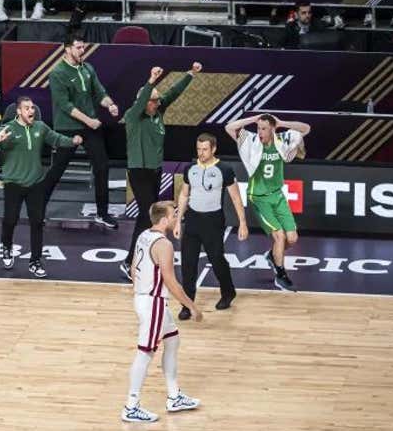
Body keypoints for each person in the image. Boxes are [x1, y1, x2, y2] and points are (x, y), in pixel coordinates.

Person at [0, 96, 81, 277]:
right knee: (10, 220)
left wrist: (72, 141)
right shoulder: (7, 129)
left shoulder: (40, 127)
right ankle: (6, 247)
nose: (31, 111)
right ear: (18, 111)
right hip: (13, 183)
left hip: (36, 183)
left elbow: (56, 139)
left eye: (32, 107)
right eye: (27, 108)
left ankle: (35, 261)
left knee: (37, 222)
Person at [122, 201, 202, 424]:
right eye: (174, 214)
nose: (178, 217)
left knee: (173, 340)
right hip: (153, 302)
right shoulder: (164, 244)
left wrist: (140, 292)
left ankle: (174, 395)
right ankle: (131, 405)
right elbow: (171, 282)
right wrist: (191, 306)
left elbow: (132, 268)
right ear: (165, 220)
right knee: (145, 352)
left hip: (145, 298)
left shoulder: (143, 235)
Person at [121, 63, 197, 279]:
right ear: (143, 102)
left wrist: (190, 74)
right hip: (138, 171)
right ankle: (129, 262)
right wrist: (151, 81)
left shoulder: (158, 114)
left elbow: (173, 94)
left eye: (156, 100)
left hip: (154, 172)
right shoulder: (133, 116)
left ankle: (136, 258)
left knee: (145, 218)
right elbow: (143, 100)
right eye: (152, 100)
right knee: (150, 215)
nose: (156, 102)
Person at [39, 28, 119, 228]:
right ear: (67, 49)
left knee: (102, 167)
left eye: (83, 47)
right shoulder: (57, 73)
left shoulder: (88, 69)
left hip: (89, 126)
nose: (82, 50)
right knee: (57, 169)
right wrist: (89, 121)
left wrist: (110, 104)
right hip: (68, 127)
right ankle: (37, 208)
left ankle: (102, 213)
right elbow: (65, 106)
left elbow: (99, 92)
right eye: (78, 47)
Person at [225, 113, 311, 292]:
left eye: (264, 128)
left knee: (292, 238)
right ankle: (281, 275)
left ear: (272, 129)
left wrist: (281, 123)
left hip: (277, 196)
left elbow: (306, 128)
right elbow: (229, 127)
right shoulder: (251, 141)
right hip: (259, 197)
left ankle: (272, 256)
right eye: (259, 128)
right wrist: (253, 119)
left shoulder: (282, 139)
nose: (260, 132)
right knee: (279, 236)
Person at [175, 134, 249, 317]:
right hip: (192, 220)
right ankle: (187, 304)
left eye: (205, 149)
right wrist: (178, 221)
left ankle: (228, 291)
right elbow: (184, 195)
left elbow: (235, 197)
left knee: (217, 260)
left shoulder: (224, 169)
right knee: (188, 264)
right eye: (198, 149)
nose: (201, 153)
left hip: (213, 221)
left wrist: (243, 223)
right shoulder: (190, 168)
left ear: (214, 149)